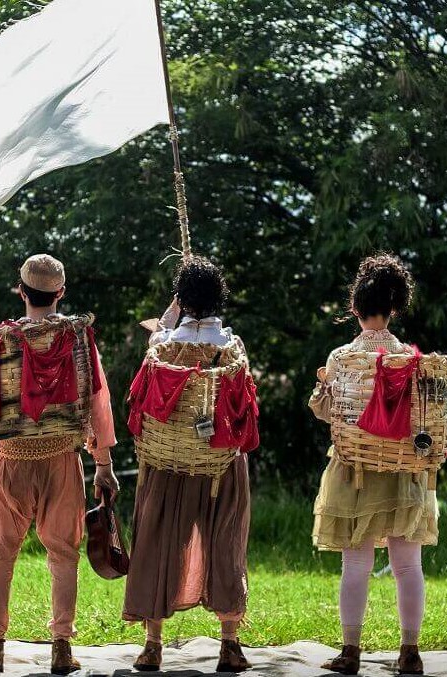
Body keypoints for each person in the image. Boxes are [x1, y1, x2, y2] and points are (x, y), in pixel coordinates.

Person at [0, 254, 119, 675]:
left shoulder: (1, 340)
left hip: (11, 460)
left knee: (0, 554)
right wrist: (103, 463)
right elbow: (98, 400)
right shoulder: (76, 338)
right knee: (63, 554)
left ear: (21, 291)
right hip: (62, 457)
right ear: (61, 294)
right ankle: (60, 647)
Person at [123, 255, 253, 673]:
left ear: (181, 299)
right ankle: (229, 644)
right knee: (225, 541)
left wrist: (169, 316)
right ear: (220, 299)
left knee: (158, 541)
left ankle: (153, 644)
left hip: (167, 462)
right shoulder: (231, 346)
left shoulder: (163, 345)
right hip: (219, 463)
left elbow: (143, 392)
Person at [309, 253, 434, 675]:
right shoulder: (411, 361)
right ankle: (410, 652)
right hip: (403, 472)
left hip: (355, 473)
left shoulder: (341, 358)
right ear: (394, 307)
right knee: (407, 565)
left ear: (355, 307)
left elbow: (329, 413)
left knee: (356, 563)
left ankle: (350, 651)